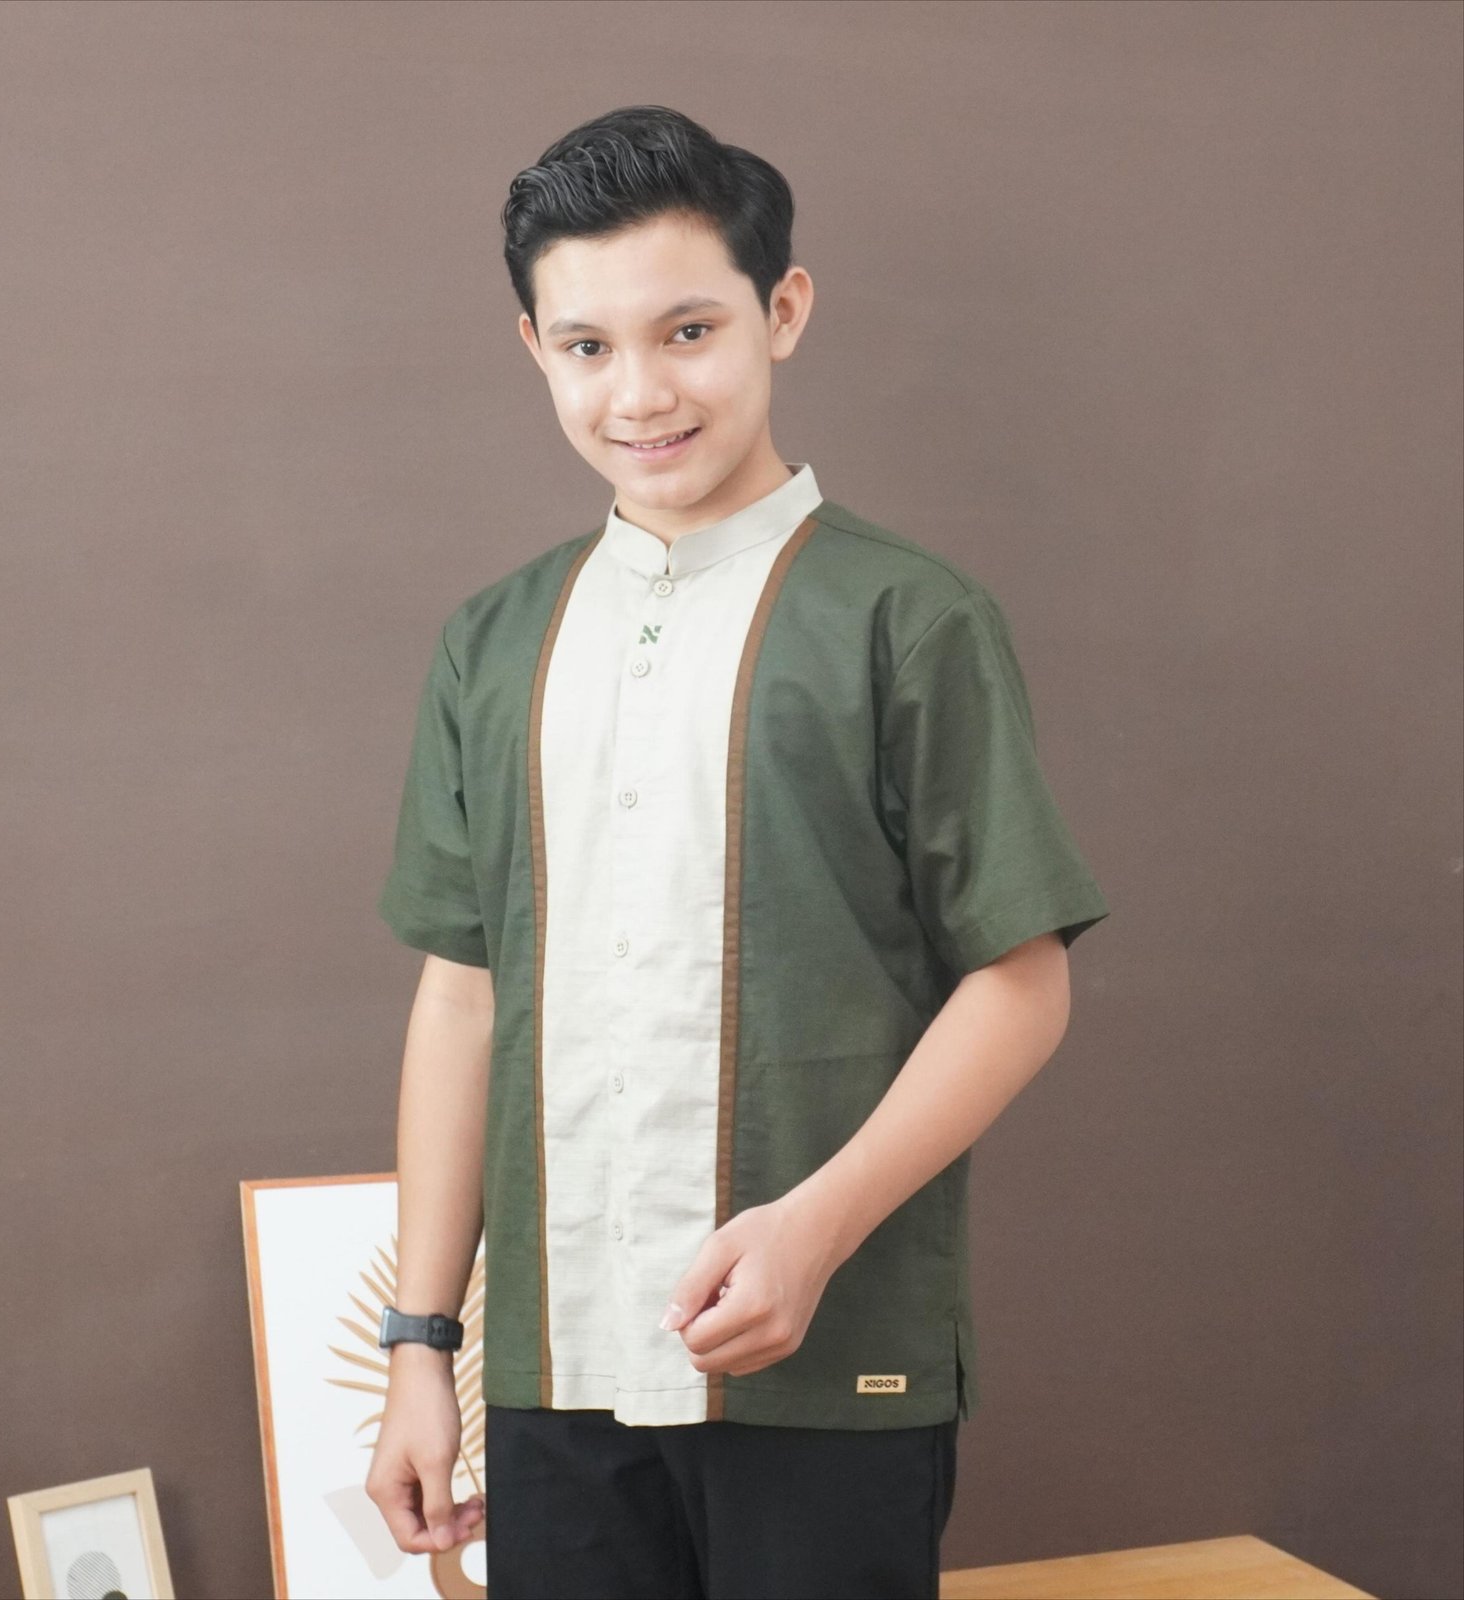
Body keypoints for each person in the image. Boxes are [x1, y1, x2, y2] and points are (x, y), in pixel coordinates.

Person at [364, 104, 1109, 1600]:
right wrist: (421, 1349)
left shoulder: (911, 619)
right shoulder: (492, 644)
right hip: (557, 1375)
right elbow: (463, 996)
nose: (640, 392)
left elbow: (1022, 981)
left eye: (689, 330)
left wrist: (816, 1231)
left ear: (784, 310)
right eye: (588, 346)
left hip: (830, 1367)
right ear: (534, 347)